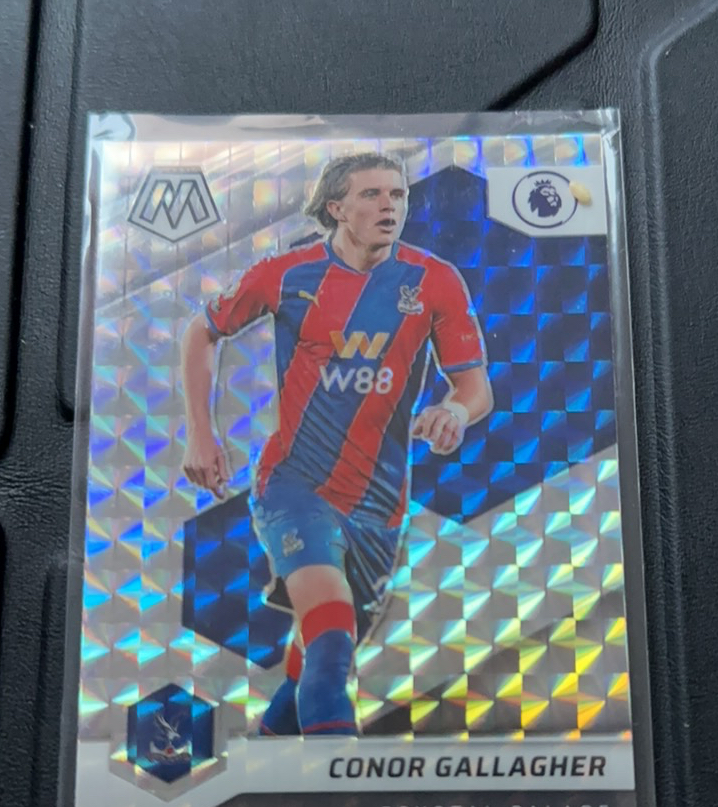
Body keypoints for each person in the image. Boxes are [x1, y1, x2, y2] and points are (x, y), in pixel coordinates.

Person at [182, 151, 492, 737]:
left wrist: (453, 410)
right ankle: (341, 778)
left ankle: (266, 758)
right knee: (330, 645)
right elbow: (202, 330)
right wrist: (201, 432)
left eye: (398, 195)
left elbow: (475, 388)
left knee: (319, 658)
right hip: (295, 486)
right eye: (372, 194)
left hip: (380, 506)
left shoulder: (434, 280)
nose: (389, 206)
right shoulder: (287, 274)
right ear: (337, 208)